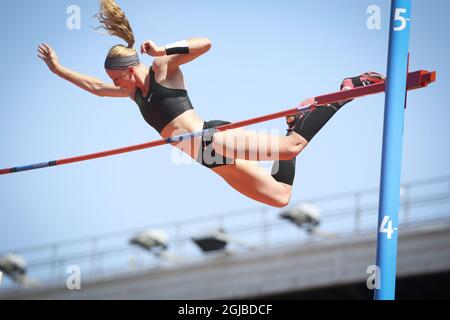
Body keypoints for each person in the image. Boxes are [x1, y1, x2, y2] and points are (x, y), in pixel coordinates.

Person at [37, 0, 384, 208]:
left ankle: (348, 89)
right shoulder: (133, 93)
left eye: (117, 79)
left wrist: (165, 50)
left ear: (129, 69)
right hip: (206, 159)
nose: (115, 85)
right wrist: (57, 69)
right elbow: (96, 88)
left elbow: (205, 43)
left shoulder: (161, 69)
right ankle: (294, 122)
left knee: (291, 148)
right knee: (281, 196)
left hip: (210, 138)